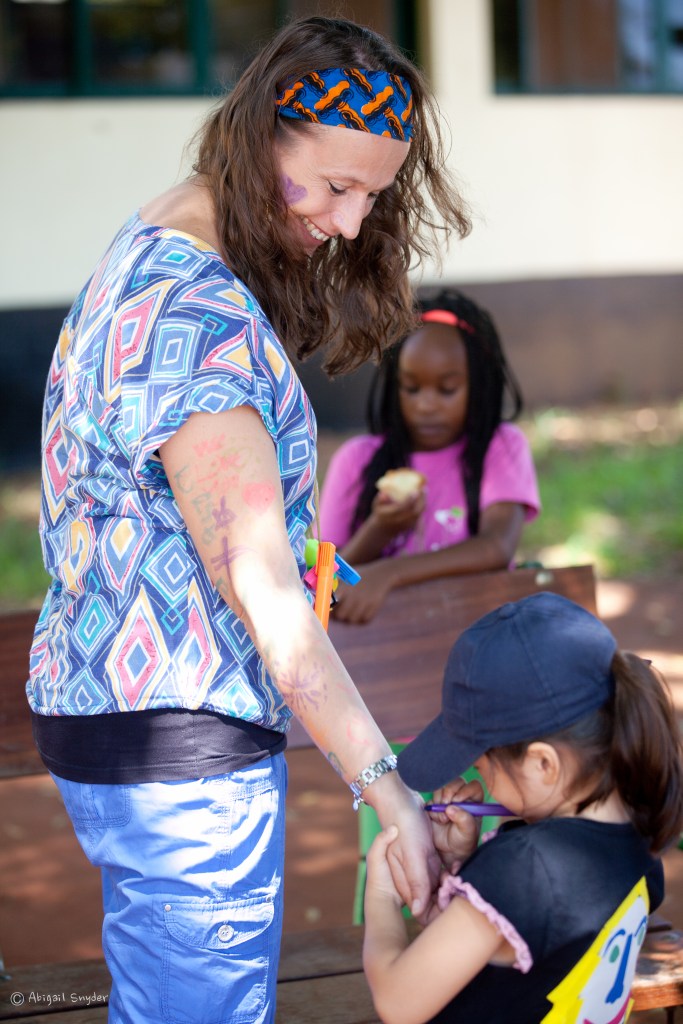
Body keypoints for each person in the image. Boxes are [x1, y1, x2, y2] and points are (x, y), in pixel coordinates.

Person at [26, 16, 472, 1024]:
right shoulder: (200, 315)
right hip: (184, 742)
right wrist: (382, 785)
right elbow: (258, 585)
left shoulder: (151, 236)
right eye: (334, 185)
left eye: (373, 193)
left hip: (113, 708)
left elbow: (165, 510)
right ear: (262, 137)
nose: (353, 223)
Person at [362, 592, 683, 1024]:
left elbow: (399, 1003)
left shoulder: (524, 871)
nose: (479, 782)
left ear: (542, 764)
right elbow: (522, 946)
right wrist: (466, 866)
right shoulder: (639, 832)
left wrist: (381, 897)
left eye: (483, 767)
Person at [318, 287, 540, 623]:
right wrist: (380, 529)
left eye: (447, 389)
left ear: (478, 386)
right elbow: (323, 583)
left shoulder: (501, 446)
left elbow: (497, 546)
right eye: (411, 387)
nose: (426, 405)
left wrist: (390, 573)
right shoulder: (357, 460)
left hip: (475, 633)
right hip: (383, 651)